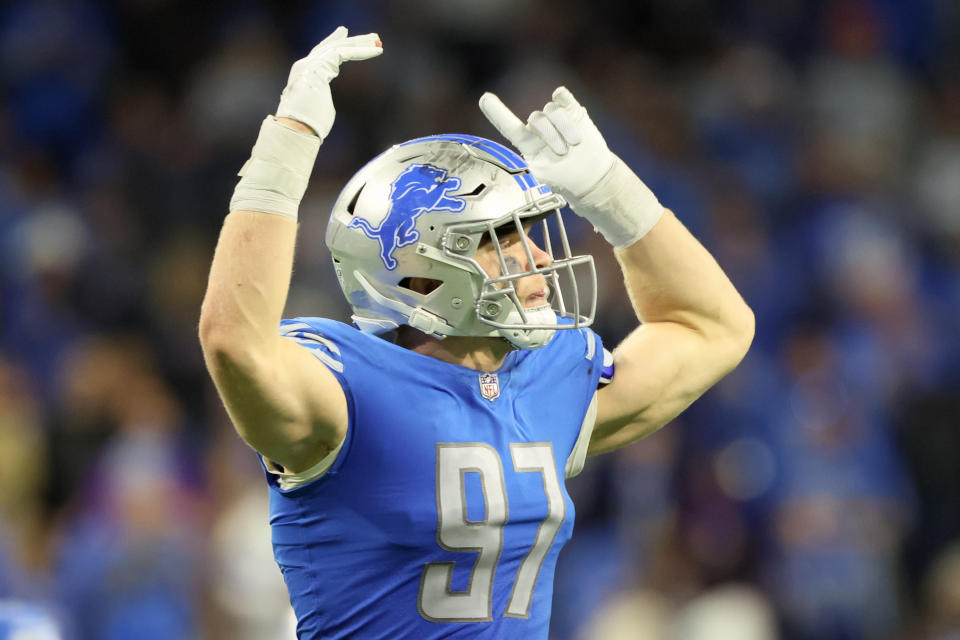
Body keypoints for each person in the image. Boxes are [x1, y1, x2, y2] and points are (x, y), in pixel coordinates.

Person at [199, 26, 754, 639]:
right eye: (502, 240)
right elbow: (235, 341)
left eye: (533, 231)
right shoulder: (345, 391)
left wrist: (609, 191)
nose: (540, 258)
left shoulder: (549, 381)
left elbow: (713, 327)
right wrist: (287, 146)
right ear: (420, 275)